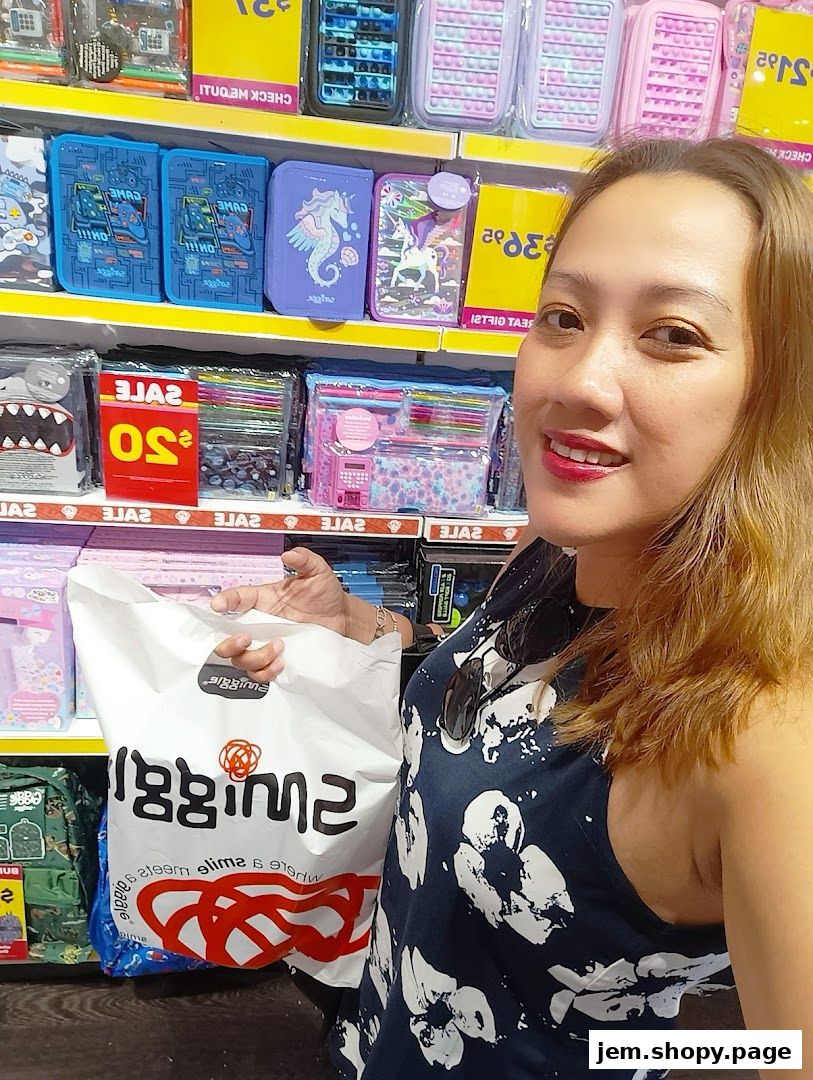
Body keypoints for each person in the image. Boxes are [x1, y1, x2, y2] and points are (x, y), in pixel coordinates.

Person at [212, 139, 813, 1079]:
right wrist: (365, 633)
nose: (575, 380)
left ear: (778, 392)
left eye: (671, 335)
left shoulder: (761, 727)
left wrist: (625, 1049)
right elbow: (502, 697)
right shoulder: (558, 556)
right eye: (563, 317)